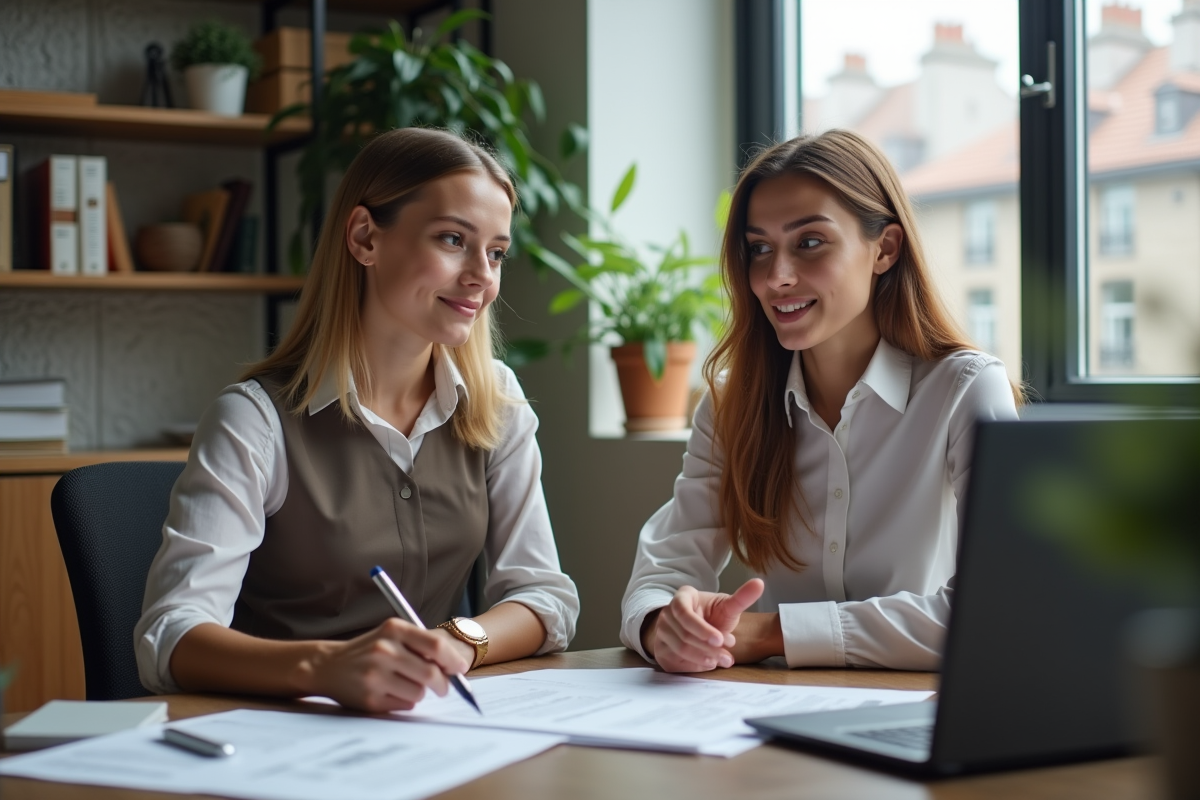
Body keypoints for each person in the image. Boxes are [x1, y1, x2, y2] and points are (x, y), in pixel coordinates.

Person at [136, 127, 579, 711]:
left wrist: (455, 644)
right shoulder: (254, 419)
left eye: (496, 252)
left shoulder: (494, 398)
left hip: (425, 727)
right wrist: (326, 666)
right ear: (366, 237)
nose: (482, 277)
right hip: (275, 736)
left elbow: (544, 597)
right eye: (453, 239)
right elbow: (169, 637)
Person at [620, 129, 1021, 674]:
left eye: (809, 242)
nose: (776, 278)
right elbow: (664, 566)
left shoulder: (964, 389)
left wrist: (772, 632)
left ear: (885, 249)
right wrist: (666, 622)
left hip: (916, 716)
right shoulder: (731, 404)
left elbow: (994, 610)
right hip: (760, 718)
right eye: (759, 249)